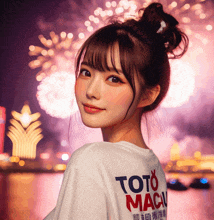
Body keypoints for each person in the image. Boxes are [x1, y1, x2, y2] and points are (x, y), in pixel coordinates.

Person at [44, 2, 188, 220]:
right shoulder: (152, 168)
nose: (91, 91)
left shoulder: (91, 161)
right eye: (86, 72)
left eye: (114, 79)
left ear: (148, 95)